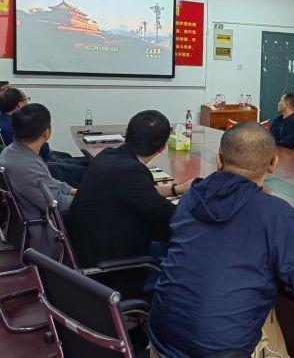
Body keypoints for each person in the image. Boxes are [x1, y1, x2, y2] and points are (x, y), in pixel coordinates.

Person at [149, 122, 294, 357]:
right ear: (273, 164)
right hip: (219, 350)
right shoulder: (276, 214)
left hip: (161, 339)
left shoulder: (191, 196)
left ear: (218, 159)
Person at [67, 110, 194, 297]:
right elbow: (170, 218)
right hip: (111, 271)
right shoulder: (131, 172)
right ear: (162, 148)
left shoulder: (109, 156)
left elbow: (140, 193)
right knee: (189, 249)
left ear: (127, 133)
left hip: (85, 253)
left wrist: (178, 189)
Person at [0, 104, 75, 259]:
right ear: (47, 133)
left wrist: (69, 190)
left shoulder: (12, 152)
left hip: (28, 226)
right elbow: (60, 206)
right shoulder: (26, 166)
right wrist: (86, 198)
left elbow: (46, 181)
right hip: (45, 234)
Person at [0, 87, 87, 187]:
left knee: (76, 161)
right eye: (26, 100)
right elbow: (40, 150)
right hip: (41, 163)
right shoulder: (17, 125)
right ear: (20, 104)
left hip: (36, 161)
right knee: (85, 170)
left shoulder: (5, 122)